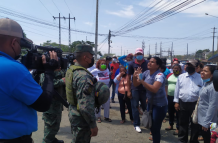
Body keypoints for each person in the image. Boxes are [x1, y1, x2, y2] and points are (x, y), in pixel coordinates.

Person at [0, 18, 58, 142]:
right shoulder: (13, 69)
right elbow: (43, 104)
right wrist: (49, 72)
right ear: (13, 42)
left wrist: (30, 70)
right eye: (20, 45)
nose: (21, 49)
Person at [65, 44, 98, 143]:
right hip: (81, 119)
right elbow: (85, 106)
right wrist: (93, 125)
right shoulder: (84, 76)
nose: (92, 59)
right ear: (86, 58)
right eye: (91, 57)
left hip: (73, 113)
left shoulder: (71, 70)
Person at [133, 57, 168, 143]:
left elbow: (154, 89)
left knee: (155, 127)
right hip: (151, 103)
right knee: (151, 126)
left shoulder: (159, 75)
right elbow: (136, 84)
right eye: (149, 62)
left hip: (160, 105)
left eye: (152, 62)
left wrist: (142, 81)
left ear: (158, 65)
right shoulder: (146, 73)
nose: (149, 63)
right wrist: (135, 76)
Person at [174, 59, 203, 143]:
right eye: (188, 65)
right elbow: (177, 90)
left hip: (195, 104)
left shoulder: (200, 77)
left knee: (195, 124)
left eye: (191, 66)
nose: (189, 67)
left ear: (196, 67)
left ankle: (193, 140)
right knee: (183, 122)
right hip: (183, 103)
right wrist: (176, 102)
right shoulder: (181, 77)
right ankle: (182, 140)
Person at [40, 68, 66, 143]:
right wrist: (61, 81)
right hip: (50, 104)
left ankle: (52, 139)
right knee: (50, 125)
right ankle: (48, 140)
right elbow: (44, 82)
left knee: (55, 124)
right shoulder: (46, 69)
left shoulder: (59, 68)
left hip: (57, 103)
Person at [127, 48, 148, 133]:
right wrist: (128, 90)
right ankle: (136, 124)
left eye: (140, 54)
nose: (139, 55)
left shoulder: (147, 63)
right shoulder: (132, 64)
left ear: (143, 54)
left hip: (145, 88)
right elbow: (128, 78)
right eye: (137, 54)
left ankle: (146, 122)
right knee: (135, 107)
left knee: (145, 107)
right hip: (135, 89)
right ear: (135, 55)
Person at [197, 65, 218, 143]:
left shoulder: (213, 87)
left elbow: (213, 106)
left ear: (212, 75)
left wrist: (206, 123)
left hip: (211, 122)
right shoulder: (206, 84)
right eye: (202, 70)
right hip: (204, 119)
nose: (202, 72)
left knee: (210, 139)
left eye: (206, 71)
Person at [165, 64, 182, 135]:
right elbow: (166, 84)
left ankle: (178, 128)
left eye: (177, 68)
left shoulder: (182, 76)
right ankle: (171, 125)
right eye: (174, 68)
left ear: (180, 69)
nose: (175, 70)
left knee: (178, 113)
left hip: (178, 98)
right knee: (170, 111)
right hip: (170, 96)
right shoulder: (169, 75)